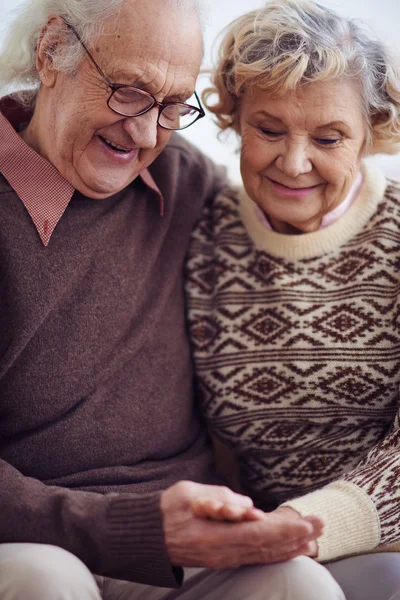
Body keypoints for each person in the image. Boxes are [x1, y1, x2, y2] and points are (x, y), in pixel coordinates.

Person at [0, 0, 347, 598]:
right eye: (129, 91)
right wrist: (130, 529)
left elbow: (303, 210)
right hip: (35, 540)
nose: (143, 132)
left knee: (299, 584)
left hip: (189, 544)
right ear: (52, 50)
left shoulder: (184, 182)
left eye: (171, 106)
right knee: (45, 579)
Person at [185, 1, 400, 599]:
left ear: (372, 131)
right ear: (234, 118)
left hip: (383, 549)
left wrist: (297, 529)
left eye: (329, 137)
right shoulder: (206, 234)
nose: (294, 162)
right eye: (269, 129)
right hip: (261, 555)